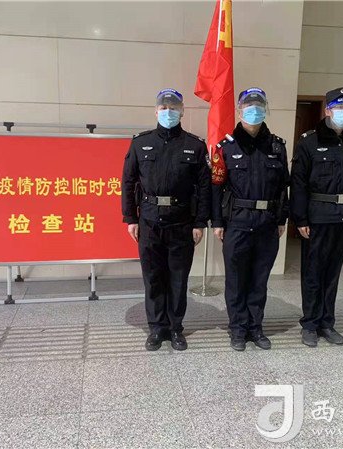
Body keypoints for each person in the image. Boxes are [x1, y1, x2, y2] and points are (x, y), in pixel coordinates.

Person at [122, 88, 211, 351]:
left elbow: (204, 187)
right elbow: (128, 182)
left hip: (182, 222)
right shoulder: (141, 143)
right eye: (163, 108)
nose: (168, 112)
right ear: (156, 111)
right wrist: (130, 218)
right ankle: (156, 328)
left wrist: (200, 222)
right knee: (153, 277)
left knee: (178, 279)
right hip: (149, 221)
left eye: (173, 108)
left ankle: (175, 328)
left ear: (182, 111)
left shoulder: (195, 145)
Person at [290, 87, 343, 347]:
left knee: (332, 273)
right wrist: (300, 219)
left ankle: (327, 323)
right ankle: (310, 324)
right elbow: (298, 183)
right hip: (318, 218)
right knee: (313, 273)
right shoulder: (309, 141)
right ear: (328, 110)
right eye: (340, 107)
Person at [211, 87, 289, 351]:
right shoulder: (225, 147)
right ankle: (237, 329)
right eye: (248, 105)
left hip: (267, 223)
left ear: (266, 109)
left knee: (259, 279)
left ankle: (255, 328)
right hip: (237, 223)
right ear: (239, 110)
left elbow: (283, 187)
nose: (254, 110)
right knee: (236, 280)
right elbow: (216, 188)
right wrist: (217, 222)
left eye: (259, 105)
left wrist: (282, 219)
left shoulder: (277, 146)